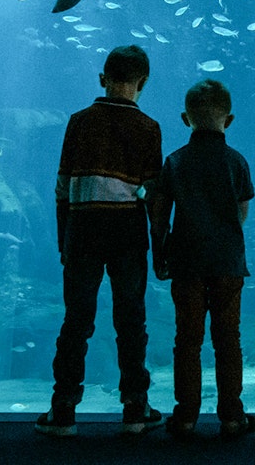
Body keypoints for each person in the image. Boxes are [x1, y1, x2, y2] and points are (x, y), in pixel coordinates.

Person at [35, 45, 164, 438]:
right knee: (131, 319)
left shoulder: (78, 122)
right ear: (143, 83)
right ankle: (135, 409)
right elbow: (152, 194)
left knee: (76, 320)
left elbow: (61, 187)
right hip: (127, 232)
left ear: (102, 79)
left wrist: (64, 240)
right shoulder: (149, 128)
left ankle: (63, 410)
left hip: (83, 230)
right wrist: (159, 248)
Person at [148, 79, 255, 440]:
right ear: (230, 120)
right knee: (228, 339)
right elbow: (242, 211)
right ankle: (231, 415)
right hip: (227, 262)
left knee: (187, 339)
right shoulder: (237, 161)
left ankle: (186, 415)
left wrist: (160, 249)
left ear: (185, 118)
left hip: (187, 262)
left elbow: (161, 212)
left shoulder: (175, 161)